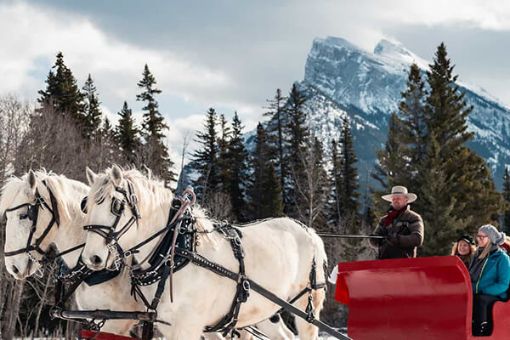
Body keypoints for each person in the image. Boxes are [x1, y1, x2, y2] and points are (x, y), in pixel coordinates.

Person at [469, 224, 510, 336]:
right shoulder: (476, 255)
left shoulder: (501, 258)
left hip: (496, 294)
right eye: (478, 236)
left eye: (483, 237)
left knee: (480, 300)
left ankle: (480, 332)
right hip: (476, 290)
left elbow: (503, 284)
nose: (479, 239)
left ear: (491, 239)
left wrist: (482, 289)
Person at [369, 186, 424, 259]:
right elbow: (376, 240)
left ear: (406, 200)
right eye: (393, 199)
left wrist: (397, 239)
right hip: (383, 263)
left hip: (405, 264)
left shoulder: (413, 217)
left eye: (398, 198)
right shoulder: (384, 220)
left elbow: (418, 239)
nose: (395, 200)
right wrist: (373, 240)